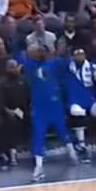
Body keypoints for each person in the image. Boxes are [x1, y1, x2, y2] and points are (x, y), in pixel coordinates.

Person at [19, 43, 78, 181]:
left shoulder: (55, 63)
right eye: (38, 51)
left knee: (62, 131)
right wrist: (26, 52)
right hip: (39, 108)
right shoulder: (30, 65)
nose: (40, 53)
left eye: (43, 51)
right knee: (38, 135)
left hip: (54, 105)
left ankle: (71, 152)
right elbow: (20, 59)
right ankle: (39, 167)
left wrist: (65, 51)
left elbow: (68, 63)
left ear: (49, 52)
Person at [67, 48, 96, 159]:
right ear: (73, 57)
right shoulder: (67, 69)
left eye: (82, 54)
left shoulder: (93, 68)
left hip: (90, 100)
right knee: (77, 111)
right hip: (74, 101)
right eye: (77, 55)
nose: (80, 57)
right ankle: (81, 145)